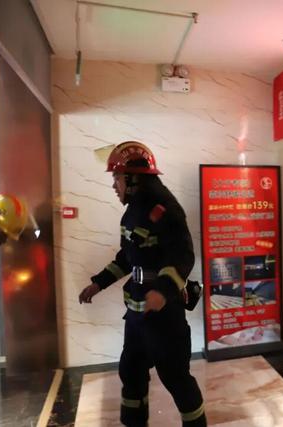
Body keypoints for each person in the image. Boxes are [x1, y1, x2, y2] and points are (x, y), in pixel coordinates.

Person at [78, 141, 206, 427]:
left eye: (117, 178)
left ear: (134, 178)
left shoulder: (165, 209)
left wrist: (162, 291)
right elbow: (128, 256)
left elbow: (183, 256)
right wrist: (98, 284)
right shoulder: (134, 210)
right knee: (131, 372)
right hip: (137, 315)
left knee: (175, 378)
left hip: (164, 317)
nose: (114, 185)